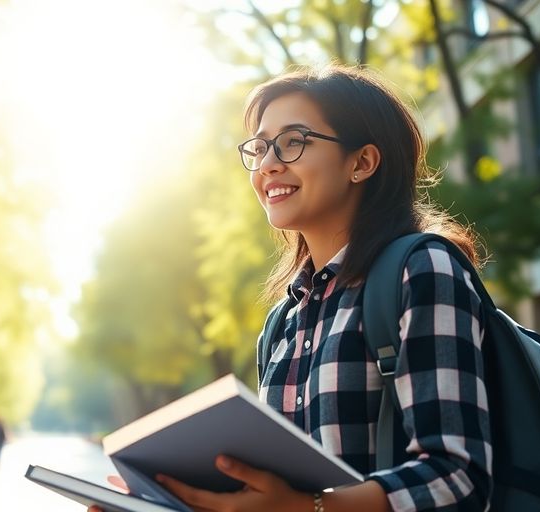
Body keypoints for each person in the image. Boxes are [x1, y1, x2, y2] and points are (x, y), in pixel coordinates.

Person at [91, 65, 492, 512]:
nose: (267, 164)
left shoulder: (419, 270)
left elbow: (458, 477)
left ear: (362, 163)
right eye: (259, 147)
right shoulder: (283, 321)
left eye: (293, 142)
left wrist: (309, 508)